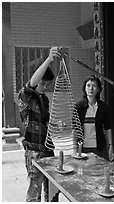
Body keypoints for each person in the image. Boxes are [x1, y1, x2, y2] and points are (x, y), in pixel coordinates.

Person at [18, 47, 61, 202]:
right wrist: (49, 59)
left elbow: (46, 121)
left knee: (53, 191)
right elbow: (31, 83)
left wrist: (55, 125)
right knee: (35, 193)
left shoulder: (44, 99)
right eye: (43, 84)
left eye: (48, 84)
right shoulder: (26, 97)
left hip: (48, 149)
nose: (46, 87)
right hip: (34, 151)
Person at [76, 75, 114, 161]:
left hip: (100, 148)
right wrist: (75, 149)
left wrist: (110, 146)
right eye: (88, 85)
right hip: (83, 148)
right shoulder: (79, 107)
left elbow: (108, 129)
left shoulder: (103, 107)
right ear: (84, 88)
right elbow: (74, 129)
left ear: (98, 89)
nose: (91, 88)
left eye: (94, 86)